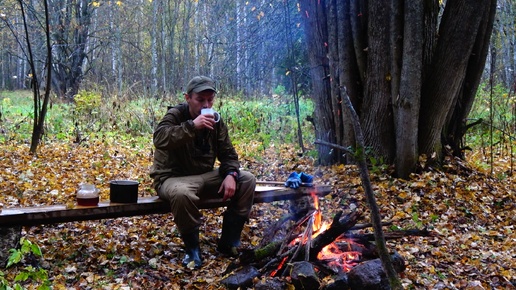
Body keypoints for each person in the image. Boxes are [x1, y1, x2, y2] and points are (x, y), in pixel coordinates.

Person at [150, 75, 256, 269]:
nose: (206, 105)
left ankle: (229, 242)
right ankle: (192, 251)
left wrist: (231, 175)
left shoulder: (216, 121)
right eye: (200, 100)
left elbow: (229, 155)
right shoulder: (175, 115)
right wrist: (192, 126)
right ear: (188, 98)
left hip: (204, 177)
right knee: (182, 193)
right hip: (172, 179)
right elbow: (159, 138)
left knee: (247, 179)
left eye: (210, 100)